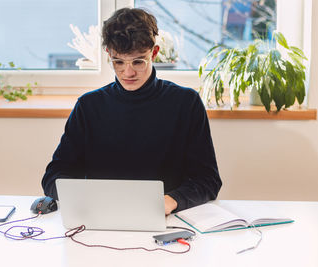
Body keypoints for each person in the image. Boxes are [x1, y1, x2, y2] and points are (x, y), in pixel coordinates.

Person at [41, 8, 222, 215]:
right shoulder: (88, 106)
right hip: (99, 219)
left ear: (154, 53)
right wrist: (83, 197)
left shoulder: (186, 103)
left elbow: (208, 179)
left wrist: (172, 201)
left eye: (138, 61)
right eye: (118, 62)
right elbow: (54, 176)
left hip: (168, 221)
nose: (128, 72)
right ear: (108, 55)